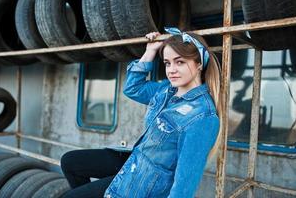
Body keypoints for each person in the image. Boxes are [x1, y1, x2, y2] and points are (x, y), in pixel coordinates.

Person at [60, 27, 223, 198]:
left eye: (180, 62)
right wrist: (150, 51)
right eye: (167, 63)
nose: (171, 70)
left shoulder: (203, 117)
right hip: (135, 159)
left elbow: (184, 183)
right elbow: (132, 88)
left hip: (146, 180)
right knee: (70, 162)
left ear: (199, 64)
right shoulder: (166, 90)